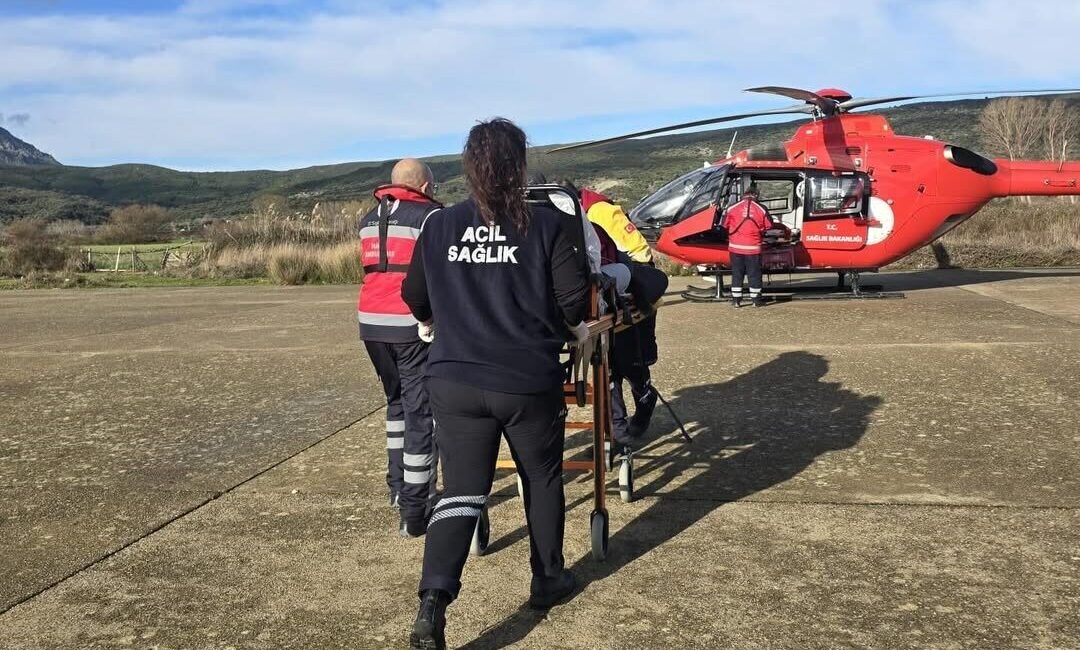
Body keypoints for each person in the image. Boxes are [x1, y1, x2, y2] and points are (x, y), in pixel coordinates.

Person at [402, 118, 590, 649]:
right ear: (519, 165)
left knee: (461, 491)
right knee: (542, 477)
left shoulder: (438, 226)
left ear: (469, 166)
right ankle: (548, 578)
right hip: (526, 381)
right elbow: (574, 303)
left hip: (455, 378)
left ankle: (432, 602)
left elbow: (415, 298)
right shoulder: (546, 225)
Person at [357, 158, 442, 538]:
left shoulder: (368, 218)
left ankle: (396, 486)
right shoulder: (429, 217)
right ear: (425, 187)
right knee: (420, 412)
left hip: (371, 324)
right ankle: (416, 501)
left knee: (395, 406)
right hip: (410, 325)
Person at [720, 182, 774, 307]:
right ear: (756, 195)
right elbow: (769, 225)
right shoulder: (761, 208)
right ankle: (755, 301)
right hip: (753, 249)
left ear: (744, 195)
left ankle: (736, 301)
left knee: (737, 273)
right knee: (754, 274)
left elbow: (724, 225)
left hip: (735, 248)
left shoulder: (733, 207)